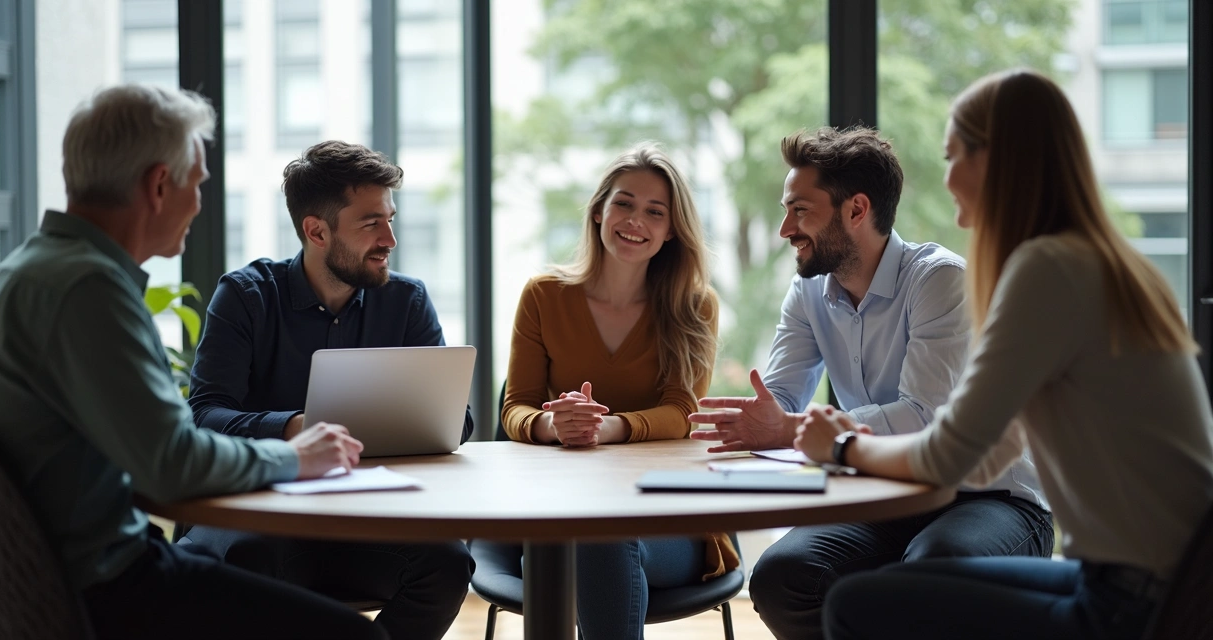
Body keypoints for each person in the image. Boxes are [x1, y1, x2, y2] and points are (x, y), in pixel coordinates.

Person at [791, 69, 1213, 640]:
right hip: (1168, 584)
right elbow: (986, 458)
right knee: (885, 591)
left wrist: (842, 444)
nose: (945, 180)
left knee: (857, 605)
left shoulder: (1048, 270)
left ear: (996, 159)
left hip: (1136, 605)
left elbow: (948, 457)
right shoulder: (1099, 262)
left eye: (952, 156)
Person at [0, 84, 383, 639]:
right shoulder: (88, 290)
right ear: (158, 185)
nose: (200, 203)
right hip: (104, 584)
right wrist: (294, 457)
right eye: (198, 183)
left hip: (67, 572)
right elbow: (171, 463)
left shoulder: (30, 270)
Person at [688, 126, 1054, 640]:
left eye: (800, 210)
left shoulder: (940, 281)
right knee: (782, 576)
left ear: (856, 210)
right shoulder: (809, 293)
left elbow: (925, 417)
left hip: (990, 495)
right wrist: (758, 419)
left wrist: (791, 430)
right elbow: (782, 401)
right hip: (886, 492)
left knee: (931, 573)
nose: (784, 229)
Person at [181, 140, 474, 640]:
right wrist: (295, 428)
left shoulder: (407, 301)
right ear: (315, 230)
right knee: (242, 560)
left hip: (369, 521)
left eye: (390, 219)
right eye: (370, 224)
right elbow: (204, 415)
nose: (390, 239)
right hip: (264, 517)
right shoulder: (247, 296)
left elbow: (456, 422)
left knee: (446, 565)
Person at [501, 143, 737, 639]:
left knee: (602, 540)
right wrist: (552, 423)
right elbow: (515, 407)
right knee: (593, 537)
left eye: (656, 212)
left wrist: (611, 427)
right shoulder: (543, 295)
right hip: (560, 514)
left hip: (669, 520)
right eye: (624, 203)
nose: (636, 220)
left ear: (672, 230)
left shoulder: (695, 306)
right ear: (598, 211)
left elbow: (683, 414)